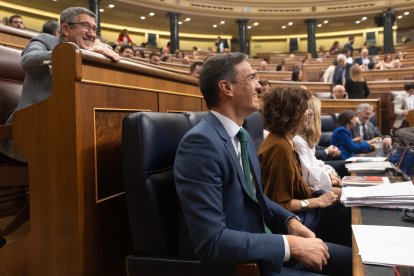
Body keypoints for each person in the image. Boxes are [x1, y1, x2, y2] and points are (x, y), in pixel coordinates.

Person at [174, 52, 351, 275]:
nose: (260, 86)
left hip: (268, 246)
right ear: (226, 88)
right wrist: (290, 245)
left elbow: (258, 198)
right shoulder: (200, 144)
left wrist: (289, 222)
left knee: (355, 261)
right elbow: (212, 241)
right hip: (244, 266)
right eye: (251, 78)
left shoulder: (243, 137)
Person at [0, 7, 120, 162]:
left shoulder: (94, 55)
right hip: (32, 128)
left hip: (75, 125)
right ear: (65, 28)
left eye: (94, 29)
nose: (91, 33)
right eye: (85, 26)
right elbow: (27, 60)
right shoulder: (46, 40)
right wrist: (72, 54)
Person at [259, 86, 351, 248]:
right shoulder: (279, 147)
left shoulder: (287, 141)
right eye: (305, 108)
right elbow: (280, 204)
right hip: (294, 230)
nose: (310, 112)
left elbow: (294, 186)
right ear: (289, 114)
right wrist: (316, 201)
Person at [293, 96, 342, 193]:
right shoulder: (297, 139)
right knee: (344, 193)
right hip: (310, 189)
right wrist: (328, 176)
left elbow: (313, 162)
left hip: (316, 182)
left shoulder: (305, 138)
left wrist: (328, 173)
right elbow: (308, 174)